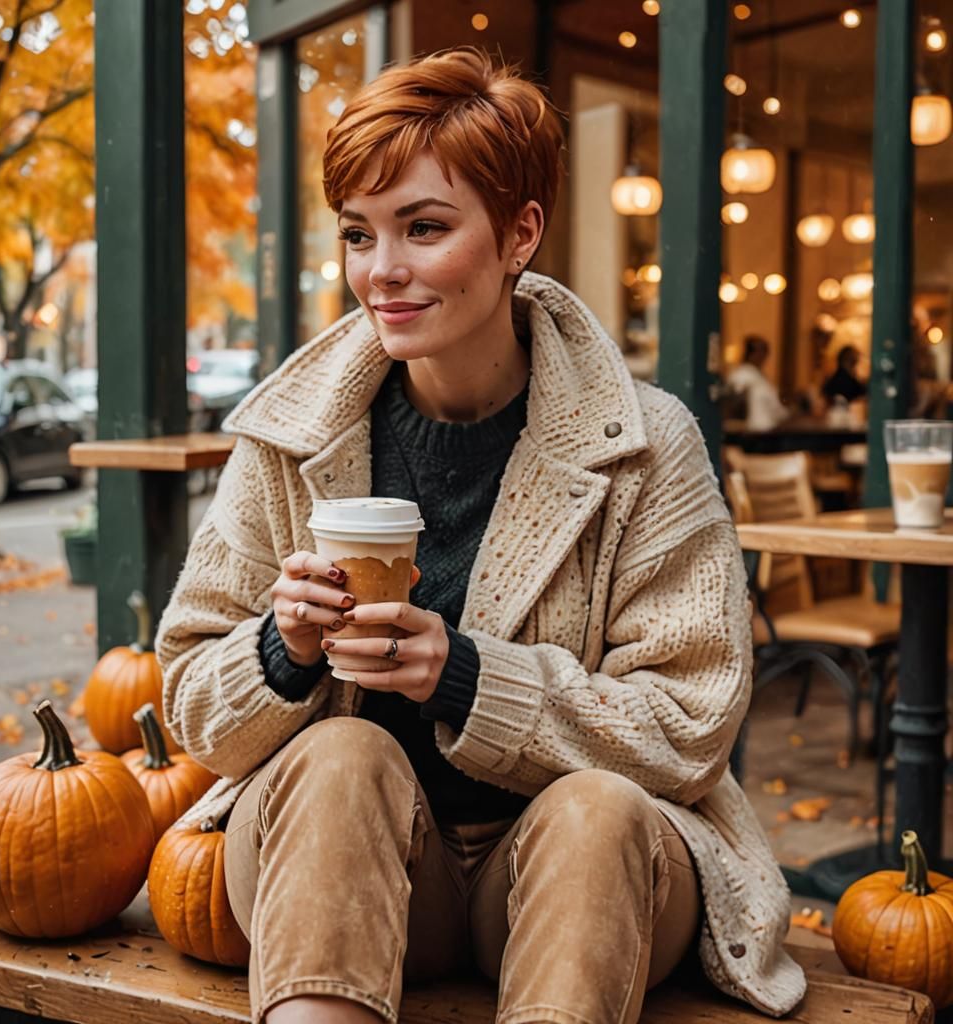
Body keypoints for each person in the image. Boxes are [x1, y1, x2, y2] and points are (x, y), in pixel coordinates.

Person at [156, 48, 804, 1024]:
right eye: (358, 234)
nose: (382, 271)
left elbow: (688, 726)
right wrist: (278, 651)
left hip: (583, 883)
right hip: (354, 874)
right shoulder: (290, 437)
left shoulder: (644, 442)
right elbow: (189, 709)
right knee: (340, 757)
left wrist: (465, 676)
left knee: (594, 811)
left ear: (518, 233)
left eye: (423, 227)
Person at [725, 335, 790, 430]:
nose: (764, 357)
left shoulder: (758, 377)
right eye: (762, 352)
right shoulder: (741, 376)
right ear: (751, 353)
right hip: (754, 433)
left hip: (765, 430)